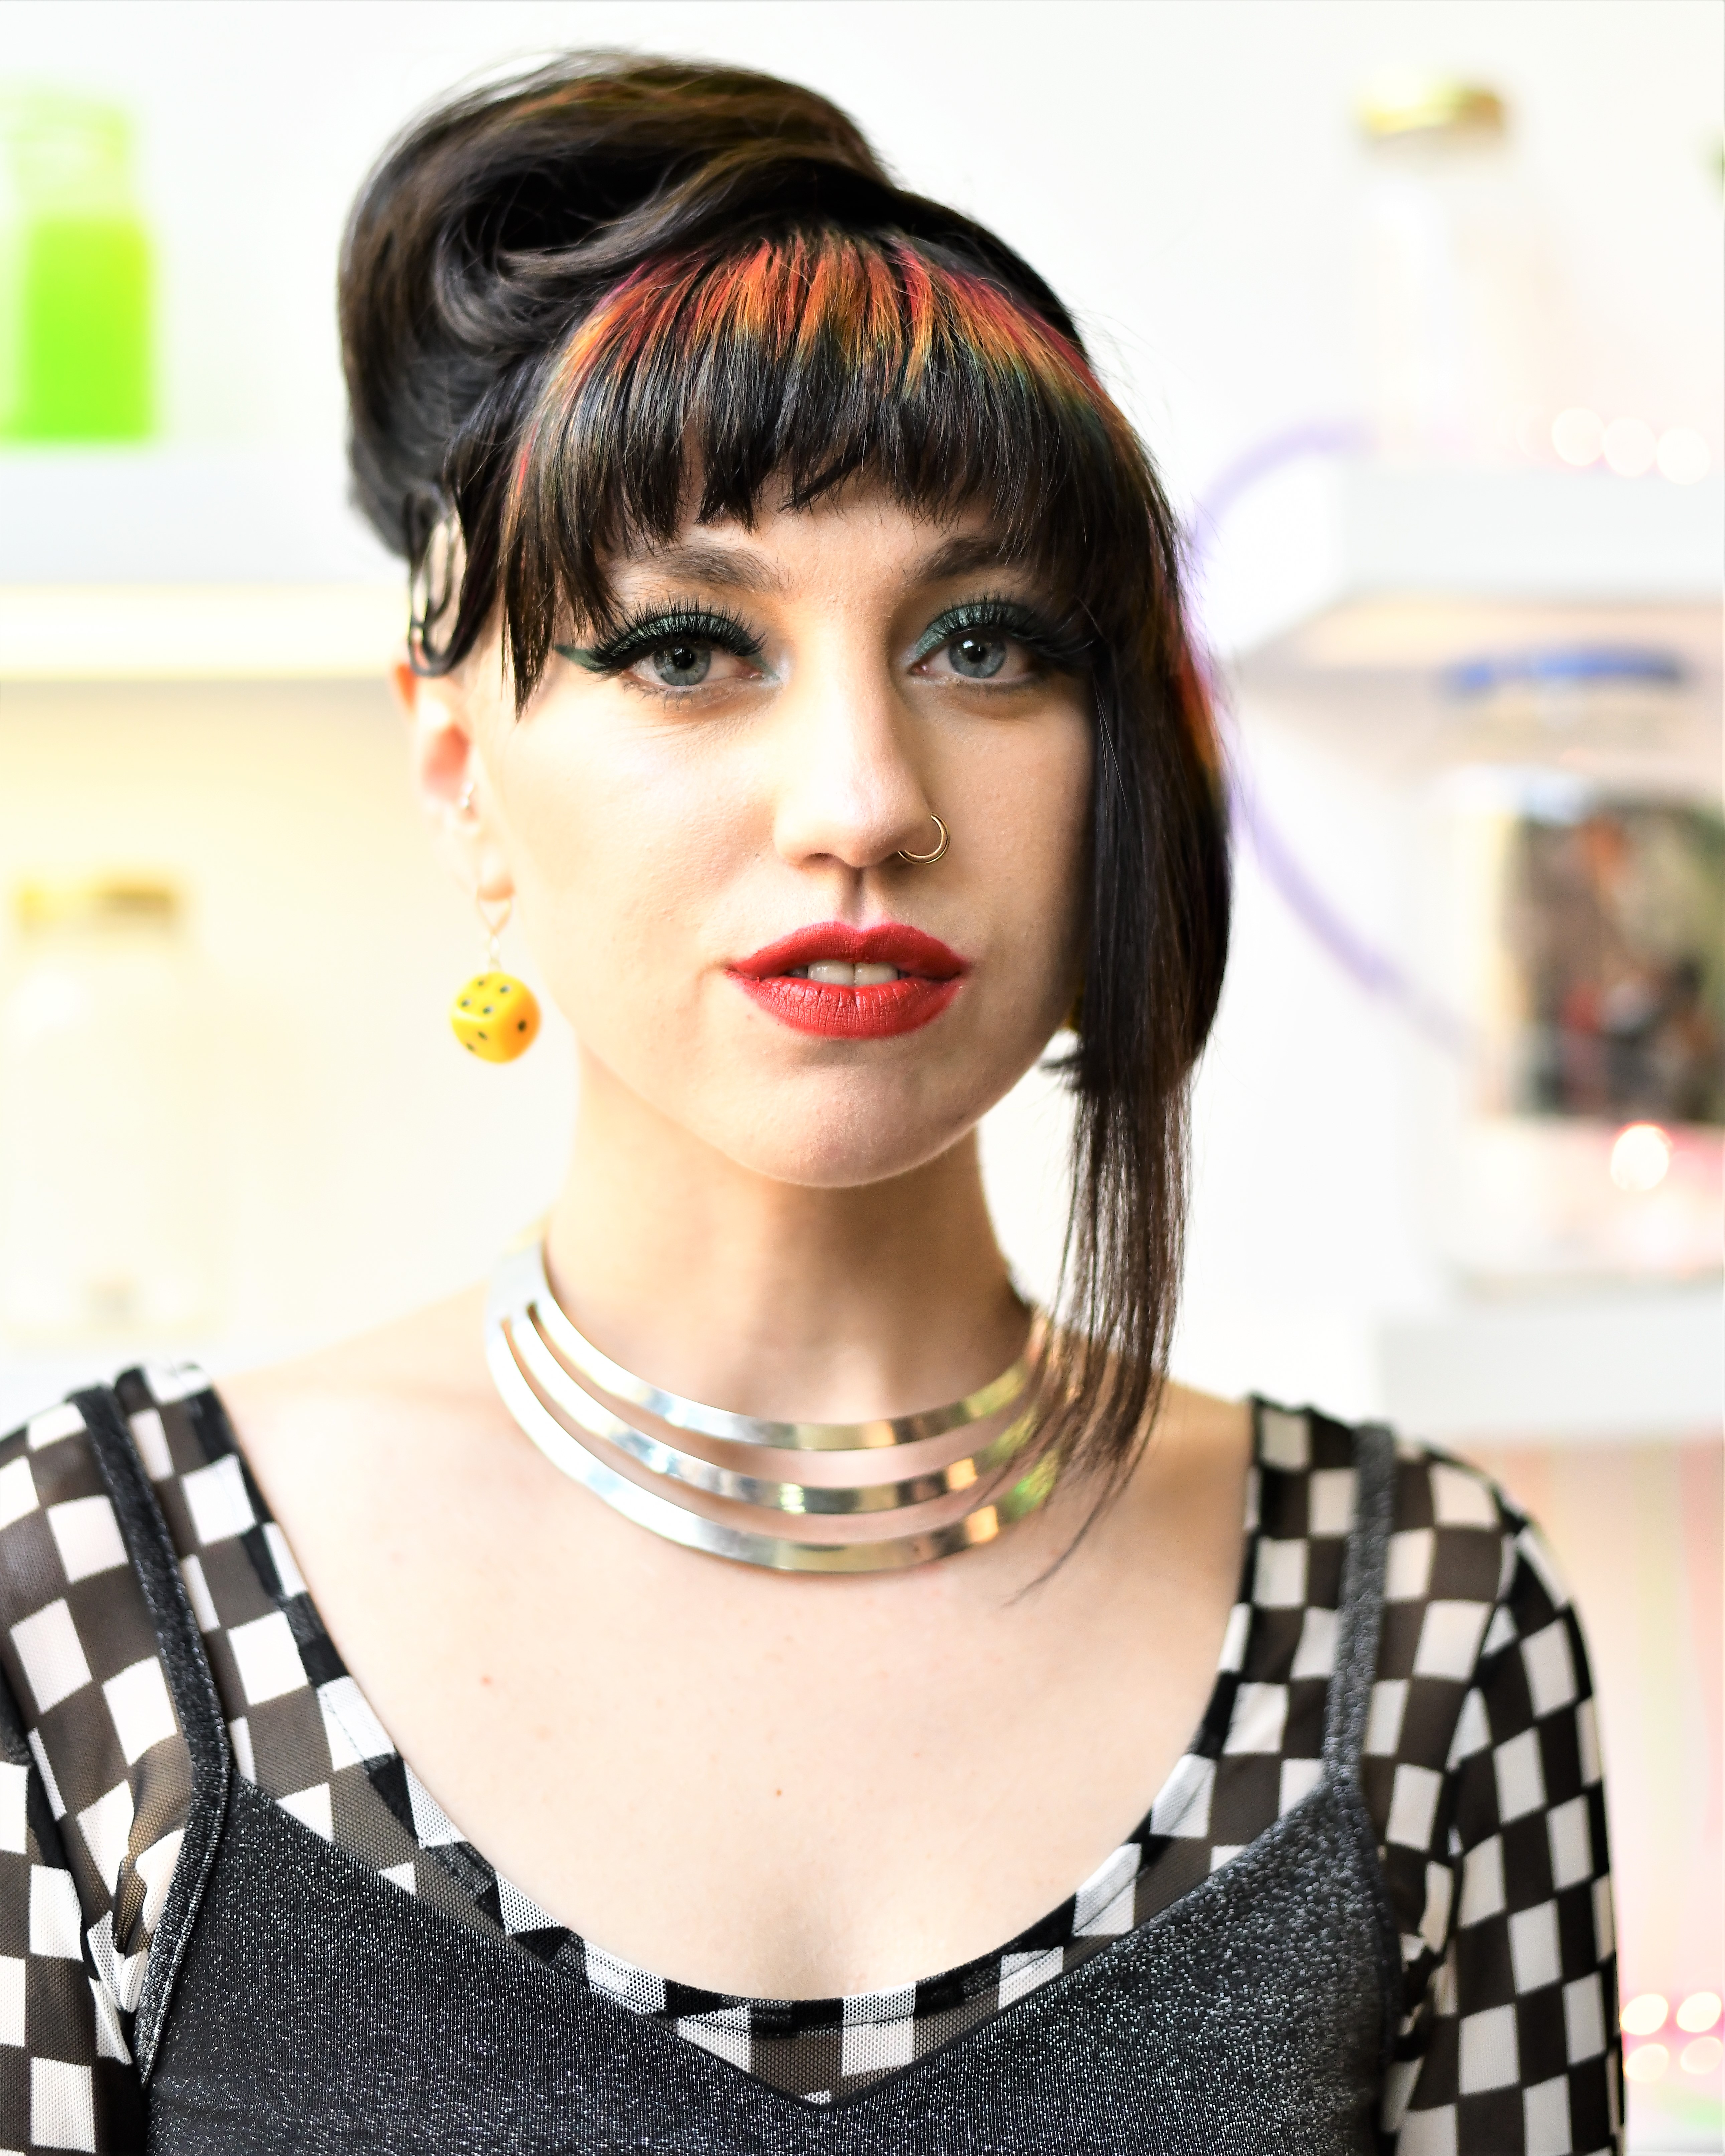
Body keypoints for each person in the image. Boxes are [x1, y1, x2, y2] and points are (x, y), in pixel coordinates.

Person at [0, 55, 1619, 2155]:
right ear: (461, 777)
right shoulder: (91, 1593)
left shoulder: (1430, 1624)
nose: (864, 798)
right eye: (690, 648)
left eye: (985, 644)